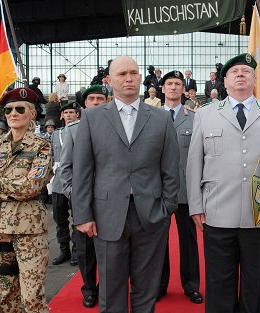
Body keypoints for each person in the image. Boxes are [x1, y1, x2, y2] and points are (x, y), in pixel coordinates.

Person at [187, 53, 260, 313]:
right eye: (234, 72)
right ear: (224, 82)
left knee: (255, 285)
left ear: (254, 79)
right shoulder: (205, 114)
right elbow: (194, 163)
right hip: (217, 212)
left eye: (246, 71)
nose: (240, 75)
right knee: (219, 284)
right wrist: (195, 205)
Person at [71, 55, 180, 313]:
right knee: (111, 288)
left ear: (141, 78)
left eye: (133, 72)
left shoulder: (161, 119)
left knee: (146, 289)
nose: (129, 78)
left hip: (151, 215)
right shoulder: (92, 118)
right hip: (107, 215)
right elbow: (83, 171)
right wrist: (83, 215)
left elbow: (171, 169)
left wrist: (167, 209)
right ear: (109, 80)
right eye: (122, 74)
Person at [0, 87, 53, 312]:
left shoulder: (42, 145)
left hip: (29, 230)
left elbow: (32, 187)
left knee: (33, 297)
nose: (13, 113)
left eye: (20, 109)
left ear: (32, 113)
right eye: (8, 110)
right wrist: (9, 185)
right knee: (7, 295)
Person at [58, 84, 109, 308]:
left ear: (107, 101)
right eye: (92, 99)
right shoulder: (72, 130)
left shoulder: (116, 127)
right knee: (85, 250)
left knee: (111, 249)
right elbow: (65, 169)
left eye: (100, 98)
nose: (96, 102)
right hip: (83, 202)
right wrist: (74, 196)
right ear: (84, 104)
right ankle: (89, 288)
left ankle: (107, 288)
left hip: (110, 200)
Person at [157, 71, 202, 304]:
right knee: (157, 242)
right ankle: (159, 285)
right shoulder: (151, 116)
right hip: (158, 192)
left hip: (186, 191)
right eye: (169, 84)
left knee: (189, 242)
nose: (173, 87)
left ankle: (191, 285)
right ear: (162, 89)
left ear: (183, 89)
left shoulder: (195, 117)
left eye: (177, 84)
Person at [51, 102, 81, 266]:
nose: (69, 115)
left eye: (72, 112)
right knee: (60, 219)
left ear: (77, 115)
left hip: (75, 180)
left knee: (77, 219)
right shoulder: (56, 134)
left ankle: (77, 251)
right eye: (66, 112)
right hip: (57, 183)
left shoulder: (81, 131)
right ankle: (64, 251)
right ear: (61, 116)